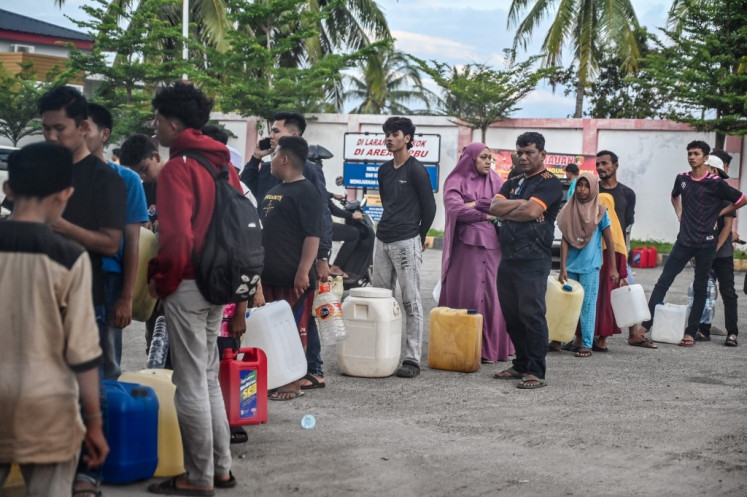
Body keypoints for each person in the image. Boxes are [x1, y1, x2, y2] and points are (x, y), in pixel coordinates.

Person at [147, 82, 241, 494]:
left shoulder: (178, 167)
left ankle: (197, 478)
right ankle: (220, 469)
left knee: (189, 380)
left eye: (156, 121)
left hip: (186, 282)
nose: (154, 129)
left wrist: (160, 282)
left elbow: (176, 239)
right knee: (206, 376)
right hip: (220, 282)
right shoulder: (224, 164)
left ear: (172, 122)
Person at [0, 143, 109, 497]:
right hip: (49, 408)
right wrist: (94, 423)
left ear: (8, 190)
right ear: (65, 194)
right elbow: (82, 352)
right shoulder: (69, 256)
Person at [38, 85, 126, 497]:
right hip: (38, 294)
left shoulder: (105, 178)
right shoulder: (41, 171)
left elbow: (111, 243)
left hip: (85, 298)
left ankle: (89, 472)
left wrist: (59, 225)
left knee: (91, 389)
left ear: (85, 126)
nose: (52, 138)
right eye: (46, 131)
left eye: (60, 129)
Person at [242, 112, 332, 390]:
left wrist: (318, 261)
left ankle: (306, 372)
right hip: (270, 269)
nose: (271, 136)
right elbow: (245, 189)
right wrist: (256, 157)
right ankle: (278, 374)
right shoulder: (273, 177)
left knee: (297, 323)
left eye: (277, 131)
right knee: (272, 323)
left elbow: (317, 224)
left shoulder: (308, 178)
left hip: (293, 270)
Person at [634, 141, 746, 347]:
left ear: (705, 158)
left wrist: (718, 213)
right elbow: (674, 195)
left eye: (696, 154)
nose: (692, 157)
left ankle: (691, 332)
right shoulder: (682, 178)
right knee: (663, 281)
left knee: (701, 287)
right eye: (689, 153)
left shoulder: (716, 182)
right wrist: (679, 213)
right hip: (684, 241)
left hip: (706, 244)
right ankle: (646, 325)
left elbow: (741, 199)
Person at [490, 132, 563, 389]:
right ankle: (520, 363)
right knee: (512, 315)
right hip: (508, 256)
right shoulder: (514, 181)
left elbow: (532, 211)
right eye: (520, 152)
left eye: (529, 152)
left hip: (533, 258)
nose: (523, 157)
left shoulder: (550, 182)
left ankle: (535, 370)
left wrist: (513, 209)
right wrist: (519, 204)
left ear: (543, 155)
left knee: (531, 314)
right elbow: (493, 207)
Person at [255, 135, 322, 399]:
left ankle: (292, 381)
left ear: (284, 159)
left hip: (293, 279)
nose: (271, 160)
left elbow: (312, 235)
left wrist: (303, 271)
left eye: (274, 156)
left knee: (293, 330)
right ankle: (276, 377)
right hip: (269, 276)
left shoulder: (307, 192)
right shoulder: (276, 189)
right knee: (271, 331)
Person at [87, 103, 149, 380]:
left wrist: (125, 298)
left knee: (108, 363)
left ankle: (107, 422)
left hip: (108, 282)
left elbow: (132, 243)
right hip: (63, 279)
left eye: (85, 129)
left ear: (104, 134)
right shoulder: (57, 176)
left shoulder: (127, 179)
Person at [372, 117, 437, 378]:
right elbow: (388, 204)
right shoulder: (384, 171)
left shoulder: (417, 170)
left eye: (395, 133)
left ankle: (411, 359)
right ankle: (382, 352)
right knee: (381, 299)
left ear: (408, 138)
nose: (389, 138)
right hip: (382, 239)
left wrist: (417, 237)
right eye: (386, 134)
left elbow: (429, 209)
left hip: (406, 241)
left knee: (410, 301)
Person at [439, 142, 513, 363]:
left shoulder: (496, 181)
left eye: (490, 157)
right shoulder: (455, 180)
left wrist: (474, 205)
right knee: (468, 295)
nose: (488, 161)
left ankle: (489, 349)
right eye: (483, 157)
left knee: (492, 296)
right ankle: (464, 347)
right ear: (470, 159)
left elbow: (503, 206)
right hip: (466, 249)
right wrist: (484, 214)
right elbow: (455, 209)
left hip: (493, 249)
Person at [554, 173, 619, 358]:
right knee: (566, 305)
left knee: (588, 306)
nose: (582, 189)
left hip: (591, 266)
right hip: (571, 267)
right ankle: (561, 339)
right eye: (580, 185)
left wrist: (613, 267)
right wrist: (563, 267)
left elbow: (609, 240)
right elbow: (565, 240)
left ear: (593, 189)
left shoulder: (600, 211)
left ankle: (587, 344)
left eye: (586, 186)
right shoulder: (569, 209)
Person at [595, 150, 650, 348]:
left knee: (628, 288)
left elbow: (627, 224)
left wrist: (624, 252)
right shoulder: (592, 190)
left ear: (615, 165)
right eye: (598, 164)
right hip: (594, 249)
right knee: (597, 292)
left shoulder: (627, 193)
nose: (600, 167)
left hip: (618, 250)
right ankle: (594, 336)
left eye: (604, 163)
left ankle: (633, 333)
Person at [695, 155, 739, 347]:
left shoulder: (726, 196)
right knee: (704, 291)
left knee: (728, 293)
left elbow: (727, 228)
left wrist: (714, 250)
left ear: (713, 171)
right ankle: (704, 330)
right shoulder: (700, 195)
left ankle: (732, 333)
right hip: (703, 251)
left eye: (706, 169)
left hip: (722, 254)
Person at [590, 193, 629, 352]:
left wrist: (620, 274)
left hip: (606, 275)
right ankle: (598, 339)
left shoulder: (608, 227)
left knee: (602, 303)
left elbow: (618, 253)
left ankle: (599, 339)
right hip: (604, 273)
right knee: (603, 304)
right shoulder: (617, 231)